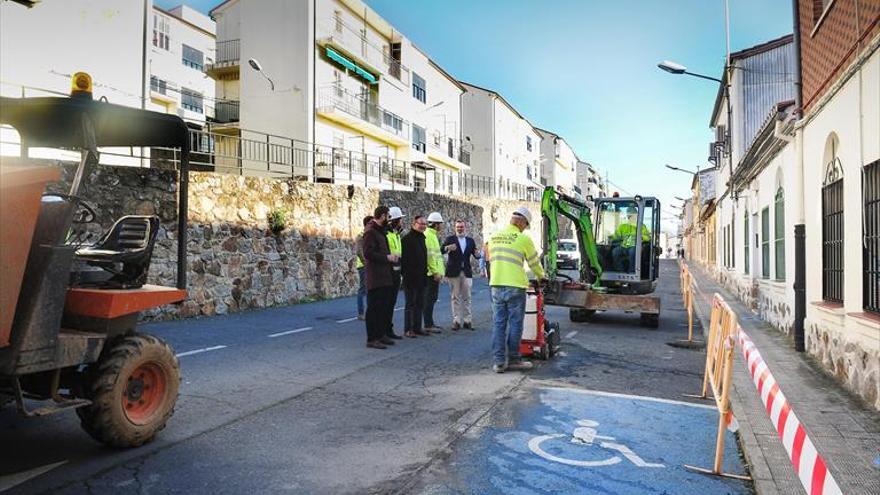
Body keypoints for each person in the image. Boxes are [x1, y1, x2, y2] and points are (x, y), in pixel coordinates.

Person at [486, 207, 545, 373]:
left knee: (498, 324)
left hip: (496, 285)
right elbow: (534, 263)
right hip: (515, 287)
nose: (525, 228)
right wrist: (542, 277)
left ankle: (498, 362)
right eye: (525, 225)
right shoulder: (522, 239)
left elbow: (490, 259)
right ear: (522, 222)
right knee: (515, 324)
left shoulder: (494, 237)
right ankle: (514, 359)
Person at [362, 206, 398, 349]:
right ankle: (372, 338)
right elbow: (368, 253)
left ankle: (381, 334)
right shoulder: (370, 232)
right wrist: (387, 257)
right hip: (376, 277)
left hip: (385, 275)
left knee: (384, 307)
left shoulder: (381, 232)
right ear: (382, 216)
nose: (389, 219)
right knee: (374, 308)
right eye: (388, 216)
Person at [443, 220, 480, 330]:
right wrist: (448, 248)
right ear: (455, 228)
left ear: (465, 227)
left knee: (467, 297)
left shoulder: (470, 241)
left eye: (462, 227)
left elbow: (476, 254)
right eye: (458, 227)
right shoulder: (450, 239)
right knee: (455, 297)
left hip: (466, 272)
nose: (460, 229)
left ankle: (467, 321)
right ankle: (456, 321)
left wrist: (478, 255)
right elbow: (441, 250)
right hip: (453, 272)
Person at [401, 215, 429, 338]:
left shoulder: (422, 238)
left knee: (419, 303)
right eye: (420, 223)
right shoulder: (407, 239)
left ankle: (417, 327)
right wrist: (407, 276)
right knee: (410, 304)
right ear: (414, 224)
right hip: (411, 278)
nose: (423, 226)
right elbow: (405, 261)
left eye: (425, 224)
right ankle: (408, 329)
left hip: (421, 277)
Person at [423, 211, 445, 332]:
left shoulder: (432, 235)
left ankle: (430, 323)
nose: (441, 226)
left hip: (433, 273)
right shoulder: (429, 236)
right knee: (429, 299)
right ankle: (428, 324)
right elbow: (430, 256)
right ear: (436, 224)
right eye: (440, 224)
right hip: (431, 274)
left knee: (432, 298)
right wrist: (435, 272)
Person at [385, 206, 405, 340]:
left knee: (391, 303)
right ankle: (385, 331)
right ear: (395, 220)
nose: (402, 222)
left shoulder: (396, 235)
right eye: (400, 219)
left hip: (396, 272)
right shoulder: (388, 235)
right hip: (389, 273)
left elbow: (399, 254)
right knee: (387, 303)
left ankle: (389, 329)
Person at [354, 215, 372, 320]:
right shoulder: (361, 236)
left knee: (370, 289)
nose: (372, 224)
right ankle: (361, 313)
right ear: (366, 224)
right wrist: (366, 263)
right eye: (370, 223)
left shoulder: (371, 235)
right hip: (363, 266)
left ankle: (370, 311)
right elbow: (359, 251)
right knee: (363, 289)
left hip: (370, 265)